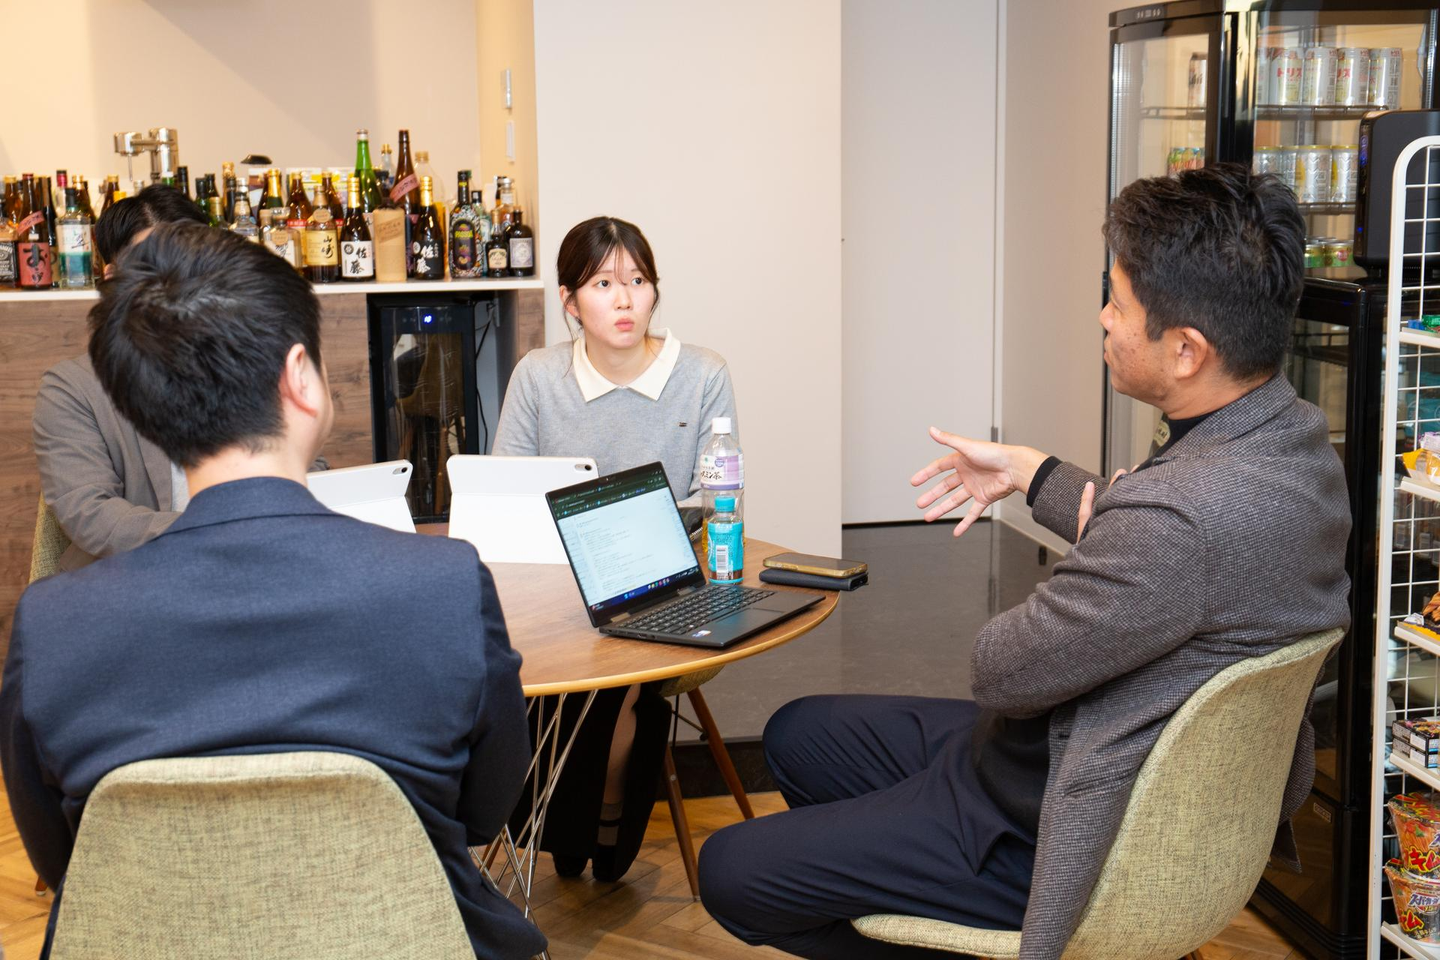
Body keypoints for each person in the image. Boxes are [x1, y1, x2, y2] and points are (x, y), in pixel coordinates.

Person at [696, 163, 1352, 960]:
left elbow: (1002, 671)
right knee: (800, 734)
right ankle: (897, 851)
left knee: (731, 871)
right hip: (1048, 753)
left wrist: (1103, 540)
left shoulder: (1178, 519)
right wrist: (1032, 473)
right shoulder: (1294, 444)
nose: (1103, 317)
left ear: (1186, 350)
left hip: (1048, 819)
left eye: (1118, 302)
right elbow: (1167, 554)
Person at [1, 223, 544, 960]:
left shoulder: (55, 624)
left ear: (143, 408)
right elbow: (485, 812)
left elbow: (63, 857)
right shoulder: (442, 585)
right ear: (300, 377)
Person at [492, 216, 739, 881]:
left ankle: (596, 821)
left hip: (664, 579)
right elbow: (506, 489)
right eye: (603, 284)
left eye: (637, 281)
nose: (625, 299)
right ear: (570, 301)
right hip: (556, 583)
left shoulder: (702, 373)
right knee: (559, 656)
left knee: (616, 675)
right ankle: (582, 826)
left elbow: (716, 496)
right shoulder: (539, 377)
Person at [32, 185, 326, 571]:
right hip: (133, 579)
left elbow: (305, 464)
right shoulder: (72, 387)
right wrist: (224, 533)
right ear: (112, 280)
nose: (177, 281)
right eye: (153, 267)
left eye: (192, 262)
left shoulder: (244, 353)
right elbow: (91, 515)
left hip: (260, 564)